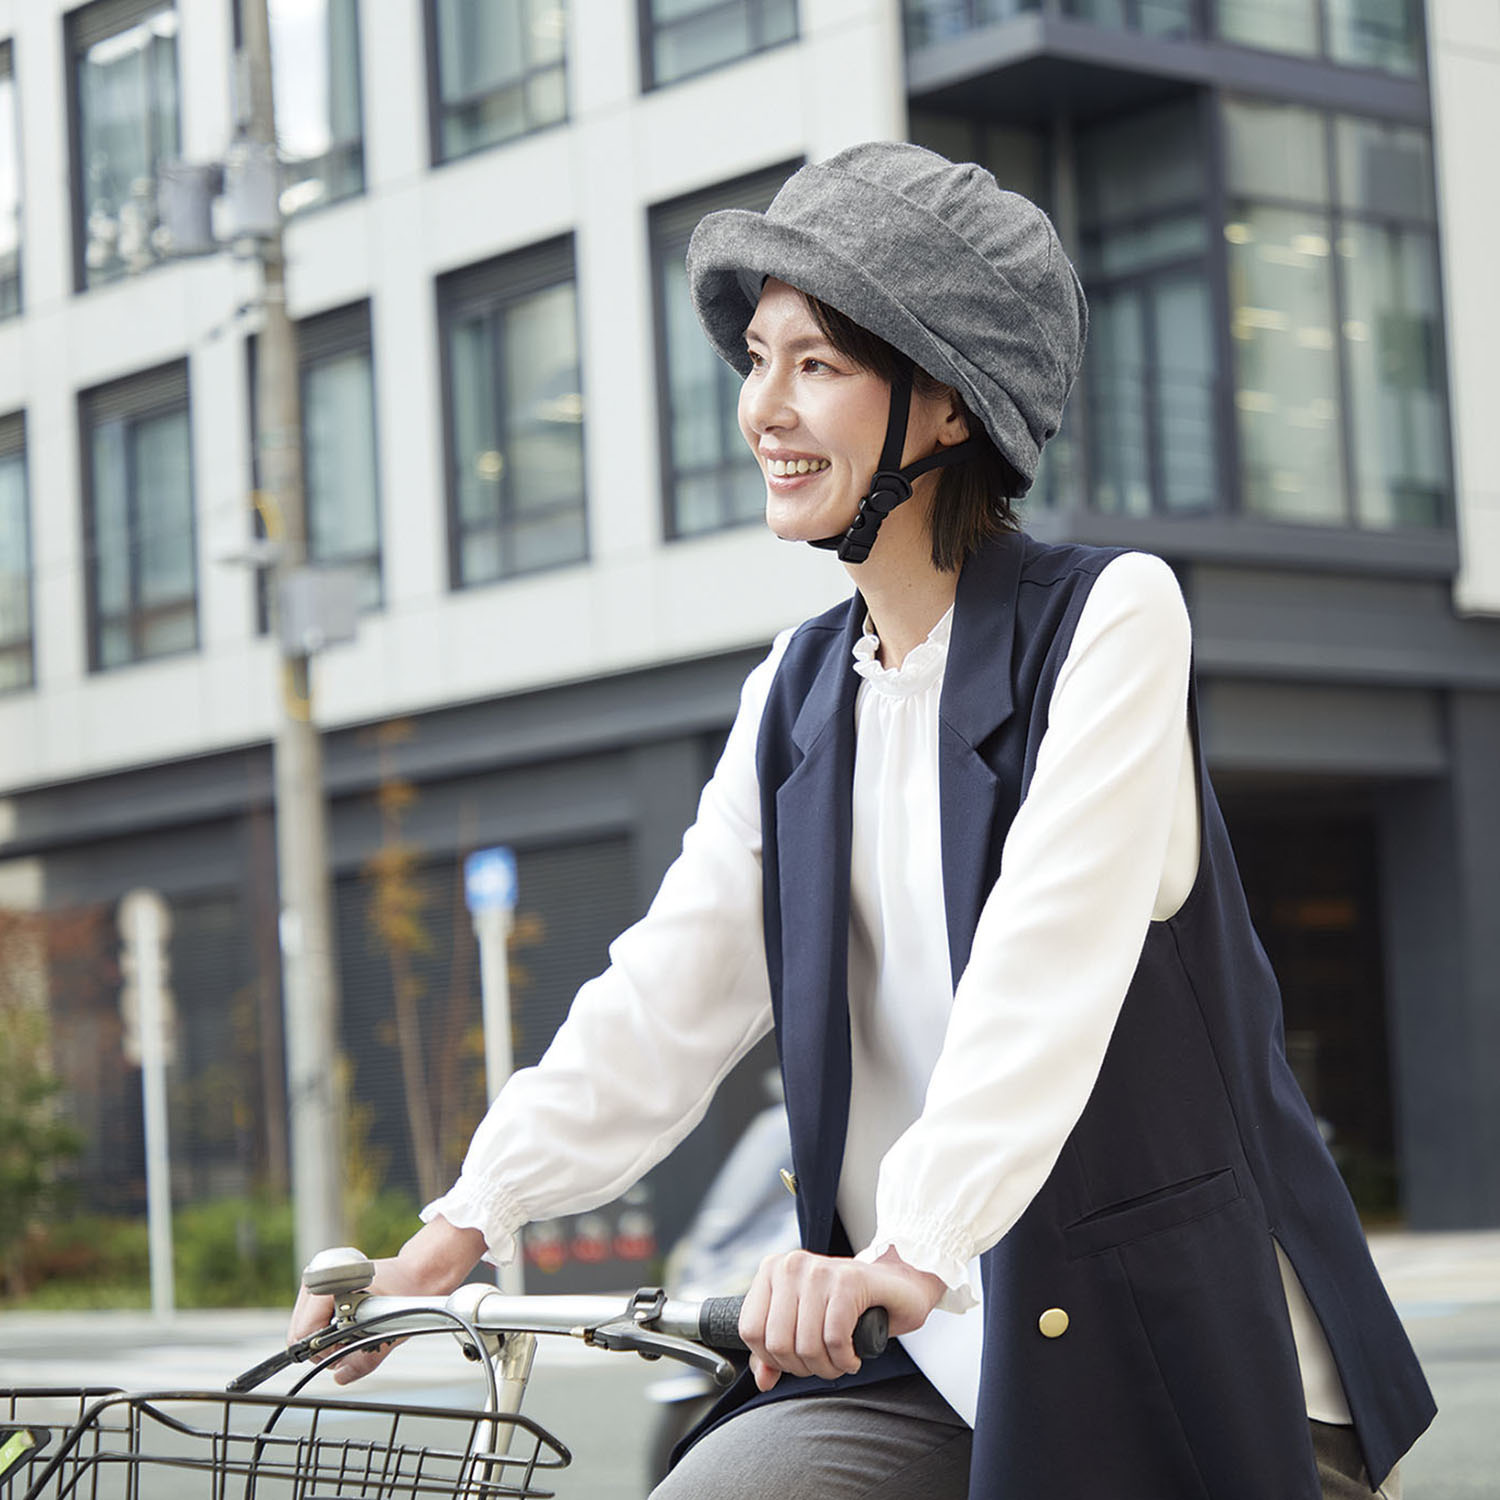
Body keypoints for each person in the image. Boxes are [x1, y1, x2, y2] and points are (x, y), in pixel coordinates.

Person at [290, 143, 1434, 1499]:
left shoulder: (1110, 620)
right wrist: (473, 1215)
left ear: (948, 406)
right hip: (938, 1364)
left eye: (816, 365)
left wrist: (910, 1242)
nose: (762, 408)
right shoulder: (797, 693)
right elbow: (668, 991)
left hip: (1180, 1365)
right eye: (756, 358)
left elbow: (1043, 972)